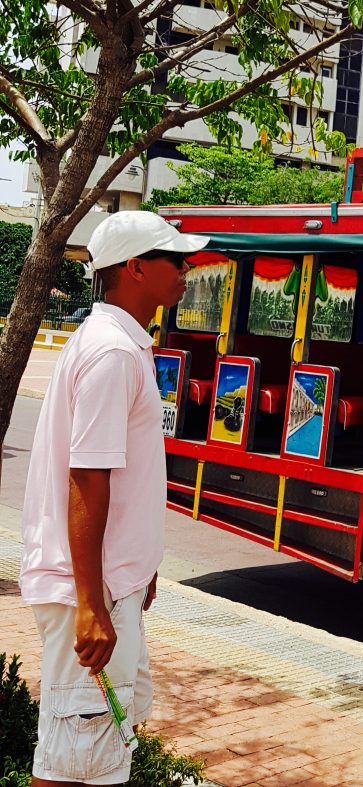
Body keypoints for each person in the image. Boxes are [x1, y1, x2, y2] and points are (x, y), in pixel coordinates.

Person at [20, 211, 208, 786]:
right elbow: (88, 479)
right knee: (74, 760)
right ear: (134, 268)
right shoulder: (113, 354)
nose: (185, 268)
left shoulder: (117, 344)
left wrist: (136, 570)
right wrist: (91, 603)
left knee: (95, 751)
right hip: (92, 589)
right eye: (173, 259)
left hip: (106, 583)